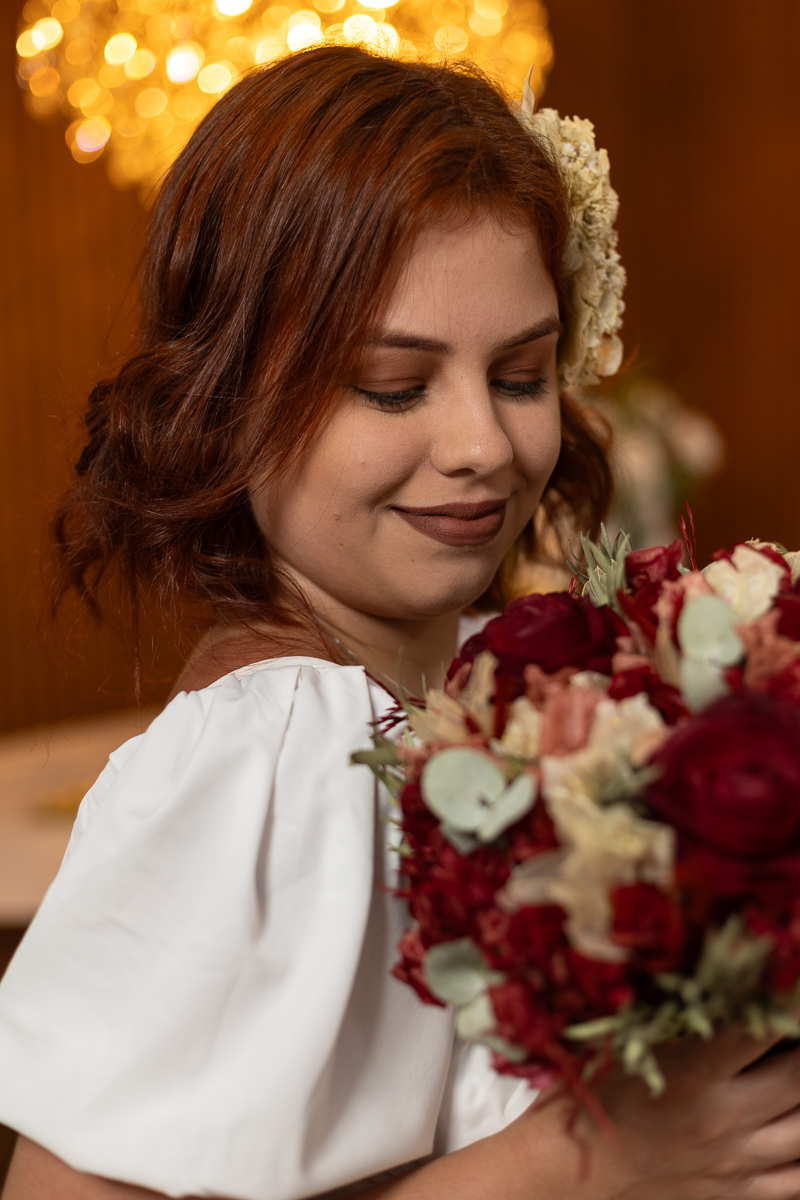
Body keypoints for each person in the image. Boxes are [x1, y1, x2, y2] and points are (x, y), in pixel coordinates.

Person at [1, 43, 800, 1200]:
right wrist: (582, 1161)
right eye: (393, 385)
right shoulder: (278, 753)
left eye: (519, 375)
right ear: (232, 404)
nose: (482, 443)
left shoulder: (486, 702)